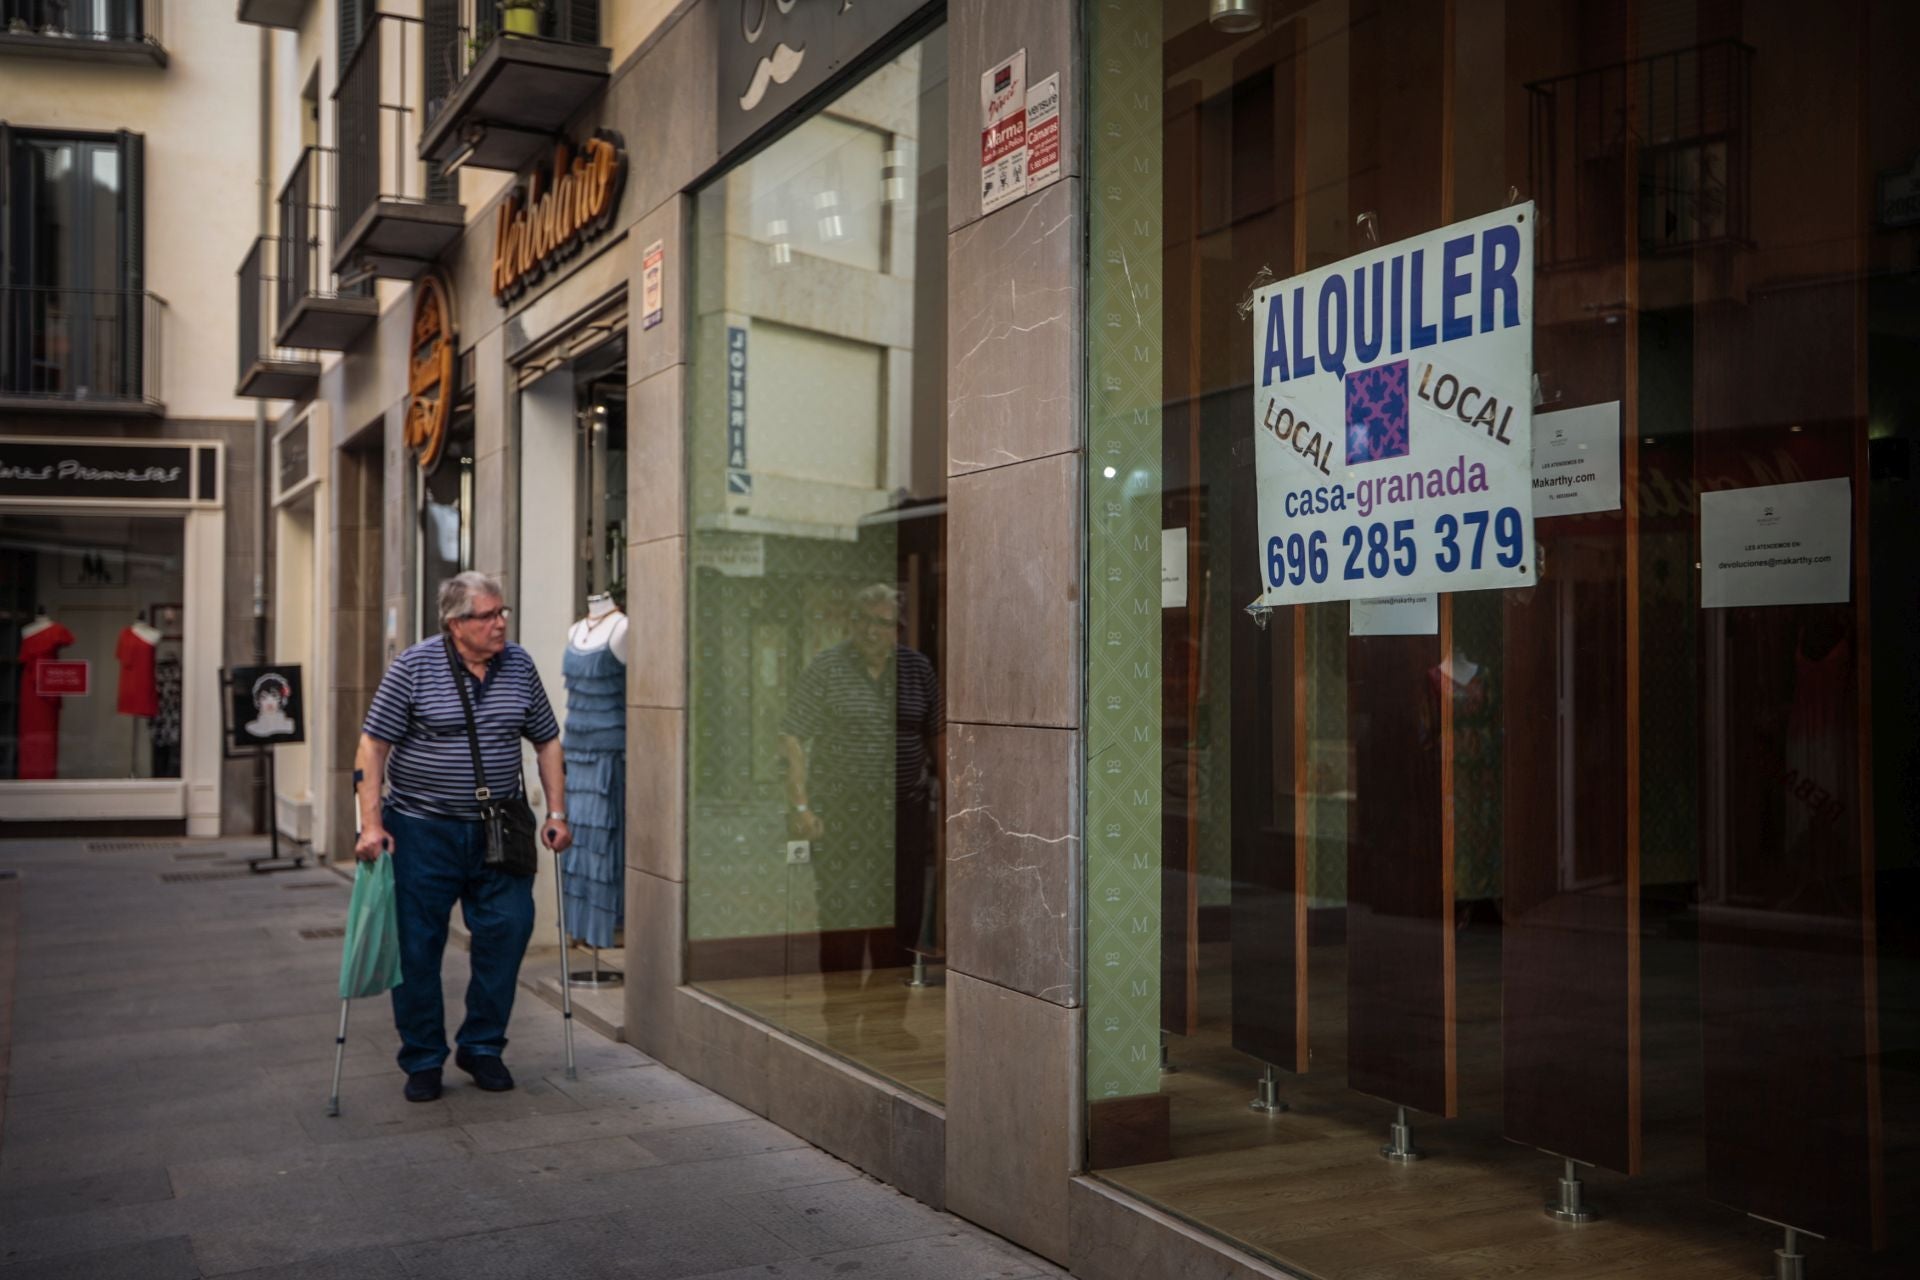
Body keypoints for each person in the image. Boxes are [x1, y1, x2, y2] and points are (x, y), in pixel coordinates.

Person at [353, 571, 572, 1102]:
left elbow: (546, 742)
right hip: (422, 829)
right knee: (418, 948)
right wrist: (371, 824)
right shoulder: (413, 667)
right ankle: (424, 1058)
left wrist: (559, 812)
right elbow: (372, 747)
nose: (500, 624)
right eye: (488, 615)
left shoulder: (518, 665)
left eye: (503, 613)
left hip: (499, 827)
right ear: (455, 624)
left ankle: (482, 1046)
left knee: (510, 930)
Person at [780, 584, 944, 974]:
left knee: (904, 907)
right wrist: (800, 805)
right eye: (866, 621)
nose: (873, 631)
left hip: (904, 809)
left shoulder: (917, 669)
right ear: (852, 623)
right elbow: (791, 736)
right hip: (841, 811)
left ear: (897, 629)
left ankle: (892, 1000)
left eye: (883, 623)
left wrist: (951, 810)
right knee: (843, 909)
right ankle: (839, 1004)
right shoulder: (827, 667)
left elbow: (938, 736)